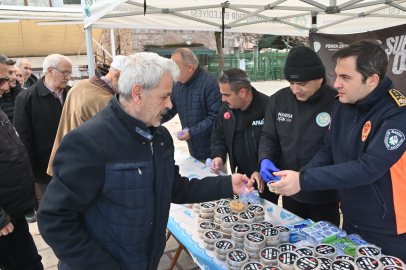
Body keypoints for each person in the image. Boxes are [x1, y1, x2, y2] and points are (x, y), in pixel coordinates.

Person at [37, 52, 253, 269]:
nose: (170, 104)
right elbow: (55, 220)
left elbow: (174, 187)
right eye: (165, 96)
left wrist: (227, 184)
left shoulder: (159, 137)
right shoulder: (88, 141)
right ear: (138, 93)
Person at [271, 40, 406, 261]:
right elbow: (328, 150)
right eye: (336, 75)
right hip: (352, 220)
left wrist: (304, 180)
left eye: (346, 77)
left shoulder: (397, 115)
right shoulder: (343, 104)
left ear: (372, 80)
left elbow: (368, 169)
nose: (337, 83)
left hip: (389, 229)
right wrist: (300, 176)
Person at [258, 46, 339, 226]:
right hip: (290, 194)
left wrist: (303, 178)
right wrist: (265, 158)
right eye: (291, 84)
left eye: (302, 84)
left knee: (325, 248)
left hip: (323, 194)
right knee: (293, 244)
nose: (295, 90)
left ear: (319, 78)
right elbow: (268, 136)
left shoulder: (337, 102)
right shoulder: (278, 99)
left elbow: (334, 150)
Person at [46, 55, 128, 176]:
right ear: (117, 76)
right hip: (84, 170)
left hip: (63, 162)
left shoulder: (81, 85)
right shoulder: (106, 102)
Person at [211, 68, 279, 204]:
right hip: (241, 176)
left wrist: (261, 170)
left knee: (267, 218)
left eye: (227, 95)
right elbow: (218, 134)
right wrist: (218, 155)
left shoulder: (269, 107)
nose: (223, 99)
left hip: (264, 179)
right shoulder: (226, 109)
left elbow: (278, 145)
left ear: (242, 92)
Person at [0, 53, 43, 270]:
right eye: (1, 80)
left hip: (14, 211)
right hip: (3, 219)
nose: (5, 87)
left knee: (30, 263)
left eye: (7, 79)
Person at [14, 54, 72, 207]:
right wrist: (33, 174)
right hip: (45, 171)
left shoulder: (72, 94)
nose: (69, 77)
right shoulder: (26, 98)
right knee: (53, 210)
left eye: (70, 73)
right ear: (50, 70)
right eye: (65, 72)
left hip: (74, 166)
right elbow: (24, 140)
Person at [162, 48, 223, 163]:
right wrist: (153, 120)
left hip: (214, 153)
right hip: (193, 149)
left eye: (176, 69)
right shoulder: (178, 84)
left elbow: (216, 117)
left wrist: (191, 133)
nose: (173, 73)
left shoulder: (211, 84)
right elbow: (171, 108)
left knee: (215, 180)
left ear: (190, 67)